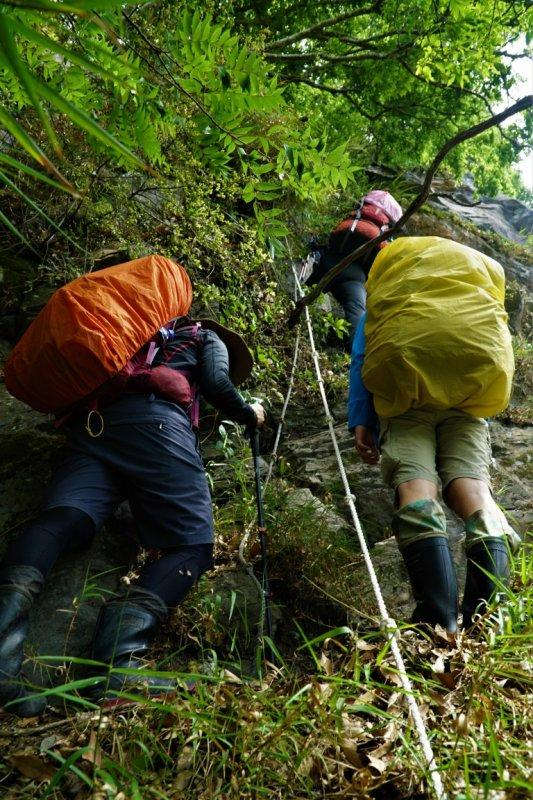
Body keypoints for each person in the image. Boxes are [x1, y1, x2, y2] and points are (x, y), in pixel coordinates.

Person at [0, 317, 265, 717]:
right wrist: (250, 413)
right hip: (154, 423)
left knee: (66, 519)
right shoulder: (205, 336)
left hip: (91, 425)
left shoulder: (132, 337)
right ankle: (118, 668)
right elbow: (216, 383)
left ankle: (4, 662)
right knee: (191, 545)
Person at [348, 239, 520, 634]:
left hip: (407, 402)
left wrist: (362, 419)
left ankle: (438, 622)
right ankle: (484, 625)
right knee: (475, 494)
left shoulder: (391, 302)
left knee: (416, 491)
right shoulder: (467, 293)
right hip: (466, 402)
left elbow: (364, 358)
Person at [306, 190, 402, 349]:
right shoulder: (382, 236)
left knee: (308, 285)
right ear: (390, 221)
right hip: (353, 279)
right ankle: (352, 353)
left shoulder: (353, 216)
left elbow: (332, 236)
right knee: (357, 313)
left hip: (326, 262)